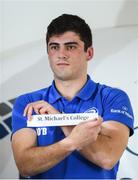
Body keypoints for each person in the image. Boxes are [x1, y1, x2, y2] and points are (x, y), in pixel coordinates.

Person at [11, 14, 134, 179]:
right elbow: (25, 165)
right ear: (48, 52)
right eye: (54, 47)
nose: (61, 54)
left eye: (70, 46)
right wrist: (72, 141)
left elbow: (107, 157)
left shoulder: (112, 97)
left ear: (89, 53)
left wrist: (60, 119)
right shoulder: (28, 102)